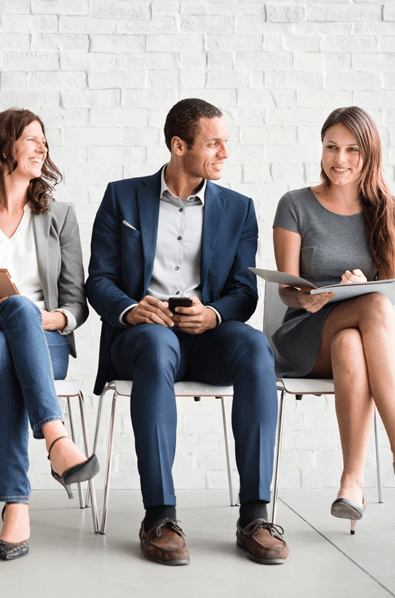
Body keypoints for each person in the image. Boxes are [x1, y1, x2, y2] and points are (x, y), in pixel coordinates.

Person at [85, 98, 288, 566]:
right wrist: (131, 309)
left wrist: (214, 314)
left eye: (225, 143)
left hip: (207, 337)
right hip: (143, 337)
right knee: (157, 346)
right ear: (179, 146)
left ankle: (255, 515)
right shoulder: (122, 197)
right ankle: (159, 515)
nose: (224, 153)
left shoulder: (239, 209)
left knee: (256, 346)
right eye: (213, 143)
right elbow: (98, 279)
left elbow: (243, 290)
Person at [272, 106, 395, 533]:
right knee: (369, 309)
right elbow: (285, 289)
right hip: (306, 336)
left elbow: (389, 292)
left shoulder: (392, 212)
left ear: (369, 154)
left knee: (353, 339)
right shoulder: (295, 205)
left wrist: (364, 283)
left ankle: (351, 484)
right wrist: (307, 298)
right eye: (331, 147)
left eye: (352, 149)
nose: (340, 159)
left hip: (368, 341)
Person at [0, 108, 96, 560]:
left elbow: (74, 303)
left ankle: (16, 504)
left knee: (5, 342)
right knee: (6, 321)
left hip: (43, 342)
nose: (42, 147)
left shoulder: (60, 216)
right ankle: (56, 440)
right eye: (31, 138)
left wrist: (51, 318)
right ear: (2, 146)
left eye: (44, 139)